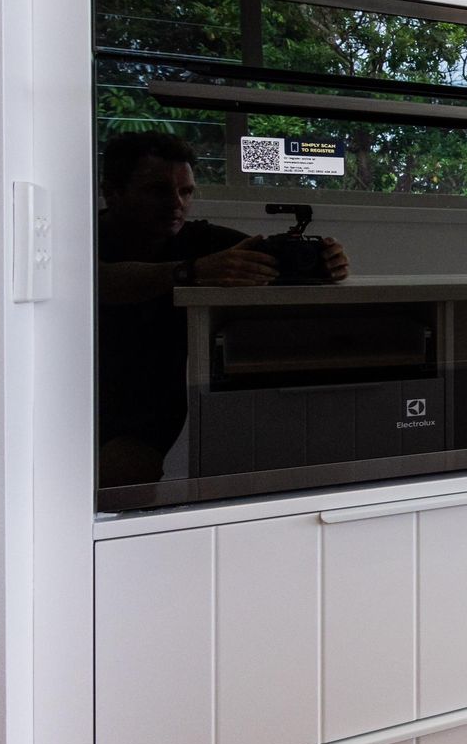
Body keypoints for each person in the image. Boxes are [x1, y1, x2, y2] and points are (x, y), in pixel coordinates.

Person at [96, 132, 349, 487]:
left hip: (144, 416)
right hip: (74, 399)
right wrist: (191, 272)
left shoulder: (199, 239)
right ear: (113, 192)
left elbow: (268, 256)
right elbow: (94, 282)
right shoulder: (82, 238)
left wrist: (325, 261)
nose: (176, 203)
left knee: (121, 487)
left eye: (186, 191)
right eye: (157, 190)